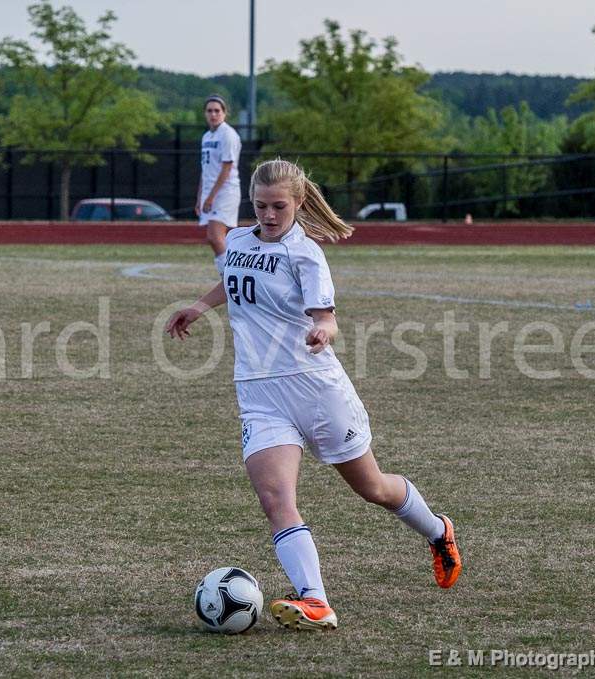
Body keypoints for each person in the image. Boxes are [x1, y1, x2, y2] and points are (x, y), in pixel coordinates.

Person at [167, 159, 461, 630]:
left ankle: (437, 530)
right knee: (275, 498)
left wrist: (323, 330)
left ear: (298, 203)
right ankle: (316, 600)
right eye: (260, 205)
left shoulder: (305, 253)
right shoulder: (240, 240)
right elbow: (234, 280)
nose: (267, 214)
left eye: (278, 206)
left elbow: (326, 316)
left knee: (373, 488)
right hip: (259, 393)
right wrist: (199, 308)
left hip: (315, 388)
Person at [195, 94, 242, 276]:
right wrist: (200, 196)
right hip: (210, 192)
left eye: (217, 110)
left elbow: (226, 168)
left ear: (224, 113)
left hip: (226, 191)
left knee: (214, 236)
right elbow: (205, 169)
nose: (213, 114)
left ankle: (231, 276)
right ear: (205, 114)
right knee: (217, 238)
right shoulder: (206, 136)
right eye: (209, 111)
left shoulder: (228, 135)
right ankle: (229, 275)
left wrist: (211, 196)